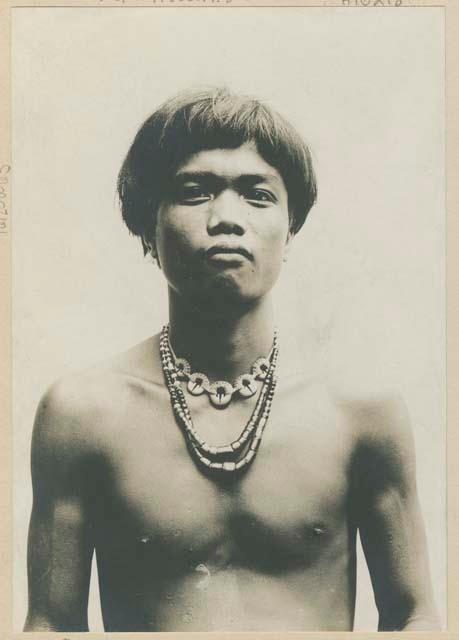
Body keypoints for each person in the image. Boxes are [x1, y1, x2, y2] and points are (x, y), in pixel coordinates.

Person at [24, 87, 440, 632]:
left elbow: (417, 620)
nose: (225, 218)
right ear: (148, 227)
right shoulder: (82, 415)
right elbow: (49, 627)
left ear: (290, 230)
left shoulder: (360, 411)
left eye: (257, 194)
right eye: (194, 192)